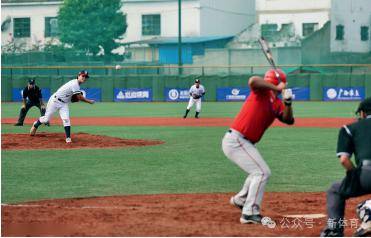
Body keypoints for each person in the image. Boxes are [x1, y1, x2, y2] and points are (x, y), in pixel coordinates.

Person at [222, 69, 294, 224]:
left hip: (244, 142)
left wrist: (288, 103)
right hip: (236, 140)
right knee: (261, 173)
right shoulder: (262, 92)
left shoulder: (277, 103)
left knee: (257, 172)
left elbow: (288, 120)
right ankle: (249, 212)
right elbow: (253, 80)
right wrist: (276, 88)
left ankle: (241, 200)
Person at [320, 97, 371, 237]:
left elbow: (344, 160)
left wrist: (354, 174)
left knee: (335, 190)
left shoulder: (349, 128)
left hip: (367, 174)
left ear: (362, 113)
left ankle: (334, 230)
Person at [30, 70, 95, 143]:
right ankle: (36, 124)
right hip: (55, 101)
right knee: (46, 119)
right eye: (83, 76)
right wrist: (89, 101)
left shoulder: (77, 85)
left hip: (64, 104)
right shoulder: (74, 84)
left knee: (66, 119)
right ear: (78, 75)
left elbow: (73, 98)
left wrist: (74, 99)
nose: (84, 78)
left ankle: (68, 138)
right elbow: (79, 97)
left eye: (86, 77)